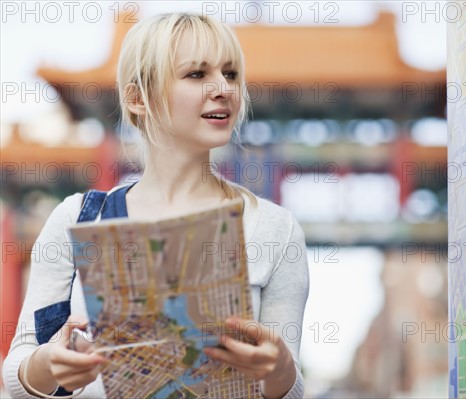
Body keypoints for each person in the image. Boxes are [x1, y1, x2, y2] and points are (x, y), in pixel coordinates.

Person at [2, 12, 310, 399]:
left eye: (230, 74)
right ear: (137, 98)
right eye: (196, 74)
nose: (223, 89)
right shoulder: (75, 218)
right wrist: (48, 365)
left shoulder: (274, 229)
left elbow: (290, 387)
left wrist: (279, 367)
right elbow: (19, 370)